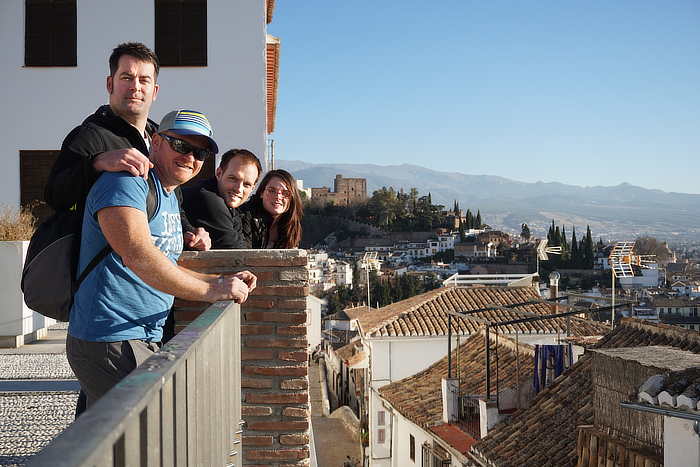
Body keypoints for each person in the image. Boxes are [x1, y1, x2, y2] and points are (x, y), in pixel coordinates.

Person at [66, 109, 256, 410]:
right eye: (181, 145)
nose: (190, 157)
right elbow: (138, 255)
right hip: (111, 338)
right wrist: (211, 291)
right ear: (155, 142)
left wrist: (218, 281)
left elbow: (164, 261)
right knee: (145, 440)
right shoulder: (127, 183)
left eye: (200, 152)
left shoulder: (167, 195)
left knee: (110, 447)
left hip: (139, 338)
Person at [44, 41, 210, 250]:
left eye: (144, 80)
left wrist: (188, 231)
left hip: (150, 270)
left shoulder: (163, 139)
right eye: (126, 77)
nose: (135, 86)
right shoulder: (89, 136)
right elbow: (54, 196)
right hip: (105, 267)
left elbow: (171, 200)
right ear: (109, 84)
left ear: (155, 91)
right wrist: (97, 163)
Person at [181, 149, 262, 249]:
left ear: (253, 188)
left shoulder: (234, 209)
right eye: (233, 178)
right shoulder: (208, 198)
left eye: (247, 184)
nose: (238, 189)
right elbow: (238, 251)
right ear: (219, 174)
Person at [240, 169, 303, 249]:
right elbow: (245, 256)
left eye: (285, 193)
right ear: (261, 193)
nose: (278, 197)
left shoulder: (292, 228)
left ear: (292, 198)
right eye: (272, 191)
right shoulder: (245, 216)